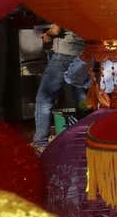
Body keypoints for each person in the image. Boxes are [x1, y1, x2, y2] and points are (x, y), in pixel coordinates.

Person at [33, 23, 90, 152]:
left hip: (65, 52)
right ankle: (84, 139)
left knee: (45, 98)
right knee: (82, 99)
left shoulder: (67, 4)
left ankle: (40, 143)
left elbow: (56, 29)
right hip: (86, 53)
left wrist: (47, 34)